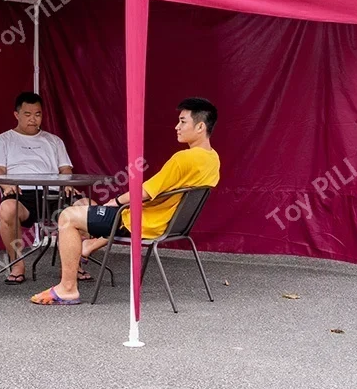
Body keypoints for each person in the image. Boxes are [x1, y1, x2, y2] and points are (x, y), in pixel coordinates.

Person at [30, 97, 221, 306]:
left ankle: (67, 288)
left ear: (200, 126)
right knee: (85, 208)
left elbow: (145, 192)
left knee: (67, 216)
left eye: (183, 121)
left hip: (139, 221)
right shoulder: (213, 159)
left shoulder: (183, 158)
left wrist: (114, 201)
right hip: (169, 225)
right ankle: (86, 247)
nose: (177, 127)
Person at [0, 91, 91, 284]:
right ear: (16, 115)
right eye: (27, 114)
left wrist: (67, 183)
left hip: (55, 192)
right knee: (7, 209)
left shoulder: (54, 140)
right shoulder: (2, 140)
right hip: (22, 193)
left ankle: (74, 263)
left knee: (89, 206)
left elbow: (65, 168)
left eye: (38, 114)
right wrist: (7, 185)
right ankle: (17, 263)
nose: (33, 119)